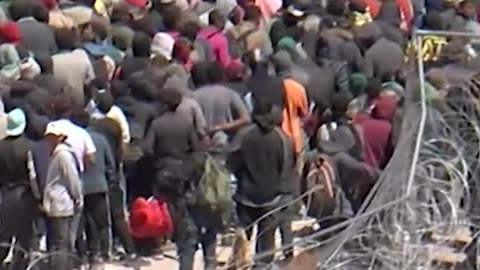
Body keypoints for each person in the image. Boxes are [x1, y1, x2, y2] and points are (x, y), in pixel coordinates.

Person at [229, 97, 296, 267]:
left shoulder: (243, 135)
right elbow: (287, 167)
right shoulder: (283, 138)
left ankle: (240, 265)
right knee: (267, 241)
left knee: (242, 239)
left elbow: (232, 163)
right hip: (272, 197)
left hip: (246, 195)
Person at [0, 108, 39, 270]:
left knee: (4, 233)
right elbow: (33, 175)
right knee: (25, 235)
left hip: (4, 193)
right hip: (24, 195)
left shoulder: (1, 146)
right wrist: (38, 197)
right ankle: (20, 265)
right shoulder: (30, 147)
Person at [42, 121, 83, 270]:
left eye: (53, 137)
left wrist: (78, 198)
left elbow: (72, 180)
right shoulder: (56, 154)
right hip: (57, 205)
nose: (50, 140)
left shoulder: (63, 155)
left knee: (61, 245)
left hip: (62, 204)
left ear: (60, 137)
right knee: (59, 244)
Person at [192, 61, 250, 136]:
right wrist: (223, 126)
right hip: (228, 140)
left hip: (202, 141)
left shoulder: (193, 96)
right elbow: (246, 119)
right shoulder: (230, 93)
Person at [52, 28, 95, 109]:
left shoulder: (52, 61)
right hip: (79, 103)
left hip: (59, 106)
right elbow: (90, 79)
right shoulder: (82, 56)